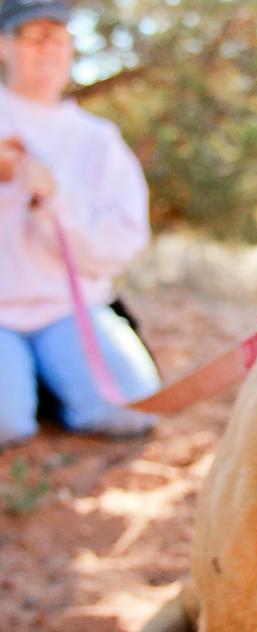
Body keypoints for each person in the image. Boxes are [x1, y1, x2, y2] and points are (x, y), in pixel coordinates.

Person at [0, 0, 160, 449]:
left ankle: (45, 383)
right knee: (6, 425)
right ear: (4, 45)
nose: (47, 49)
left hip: (69, 309)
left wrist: (56, 198)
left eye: (57, 37)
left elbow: (122, 242)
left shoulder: (98, 139)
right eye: (33, 36)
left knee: (133, 411)